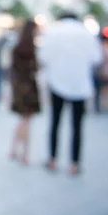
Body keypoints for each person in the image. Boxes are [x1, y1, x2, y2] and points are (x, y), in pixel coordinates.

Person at [39, 12, 102, 176]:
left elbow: (43, 57)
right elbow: (96, 58)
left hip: (57, 83)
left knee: (55, 123)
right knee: (77, 126)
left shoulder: (53, 33)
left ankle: (52, 159)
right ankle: (74, 164)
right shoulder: (86, 33)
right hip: (80, 85)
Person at [9, 20, 41, 165]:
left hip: (18, 87)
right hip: (29, 87)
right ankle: (24, 154)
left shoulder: (17, 48)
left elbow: (12, 68)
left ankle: (14, 149)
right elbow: (35, 68)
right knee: (26, 121)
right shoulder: (31, 49)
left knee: (22, 120)